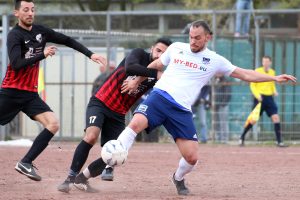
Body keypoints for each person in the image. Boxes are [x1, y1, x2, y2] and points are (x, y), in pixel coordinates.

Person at [73, 20, 296, 195]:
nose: (193, 41)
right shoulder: (177, 48)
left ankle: (178, 179)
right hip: (159, 98)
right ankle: (83, 175)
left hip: (181, 110)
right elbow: (156, 65)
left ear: (208, 37)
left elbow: (244, 74)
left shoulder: (215, 60)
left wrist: (274, 78)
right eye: (191, 36)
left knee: (191, 158)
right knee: (131, 129)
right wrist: (137, 80)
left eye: (198, 38)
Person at [0, 0, 106, 182]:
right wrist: (43, 54)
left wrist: (90, 54)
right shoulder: (14, 35)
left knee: (53, 123)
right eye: (25, 10)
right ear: (16, 13)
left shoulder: (41, 31)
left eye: (32, 10)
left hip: (30, 95)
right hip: (11, 92)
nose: (30, 13)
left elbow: (67, 40)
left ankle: (26, 162)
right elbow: (16, 64)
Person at [57, 38, 172, 193]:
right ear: (152, 48)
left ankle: (82, 179)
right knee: (91, 136)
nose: (159, 55)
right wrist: (154, 74)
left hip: (119, 113)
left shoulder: (159, 76)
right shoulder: (139, 54)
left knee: (116, 152)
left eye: (164, 54)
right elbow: (131, 68)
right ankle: (69, 178)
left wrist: (139, 82)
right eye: (158, 50)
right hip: (101, 102)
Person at [239, 56, 288, 147]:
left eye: (267, 62)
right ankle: (242, 138)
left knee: (276, 118)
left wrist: (274, 91)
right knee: (253, 120)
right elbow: (252, 85)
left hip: (269, 99)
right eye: (263, 62)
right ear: (262, 63)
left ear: (270, 63)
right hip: (259, 99)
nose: (265, 63)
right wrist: (258, 96)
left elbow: (272, 84)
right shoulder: (257, 71)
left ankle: (279, 141)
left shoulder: (272, 72)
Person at [214, 74, 231, 143]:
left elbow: (228, 93)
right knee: (216, 123)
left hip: (223, 105)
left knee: (223, 122)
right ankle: (218, 138)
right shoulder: (214, 80)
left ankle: (224, 139)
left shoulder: (226, 80)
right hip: (215, 105)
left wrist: (223, 103)